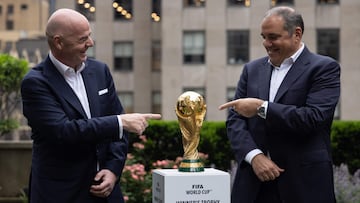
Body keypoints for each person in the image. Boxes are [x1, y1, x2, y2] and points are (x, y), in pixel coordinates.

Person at [21, 8, 161, 203]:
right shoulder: (36, 82)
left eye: (89, 36)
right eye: (81, 39)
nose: (90, 43)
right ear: (58, 42)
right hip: (60, 193)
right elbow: (63, 131)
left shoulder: (100, 70)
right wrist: (119, 122)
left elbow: (118, 134)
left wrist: (112, 170)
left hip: (106, 192)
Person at [218, 6, 340, 203]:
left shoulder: (324, 68)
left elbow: (313, 118)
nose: (267, 43)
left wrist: (261, 107)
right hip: (253, 185)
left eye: (273, 37)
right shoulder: (252, 69)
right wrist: (254, 156)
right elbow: (235, 121)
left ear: (297, 34)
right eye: (263, 37)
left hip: (304, 185)